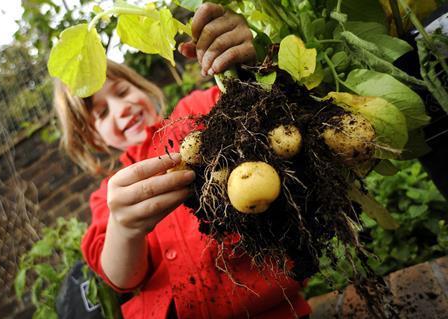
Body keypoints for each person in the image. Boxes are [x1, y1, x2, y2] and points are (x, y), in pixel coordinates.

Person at [54, 3, 311, 318]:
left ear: (144, 88)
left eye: (122, 92)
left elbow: (259, 110)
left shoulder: (198, 111)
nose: (121, 109)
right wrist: (125, 227)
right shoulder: (110, 195)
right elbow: (123, 278)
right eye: (103, 113)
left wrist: (251, 57)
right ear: (94, 138)